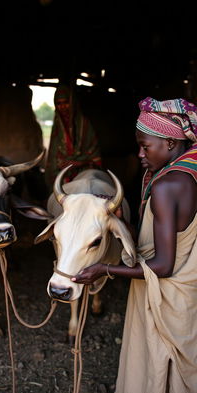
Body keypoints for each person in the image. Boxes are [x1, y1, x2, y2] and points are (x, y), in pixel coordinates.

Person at [71, 97, 197, 393]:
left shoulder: (167, 186)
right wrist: (119, 220)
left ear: (169, 142)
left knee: (158, 368)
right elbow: (155, 238)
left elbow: (163, 266)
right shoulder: (186, 175)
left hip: (167, 294)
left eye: (145, 145)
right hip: (186, 293)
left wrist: (104, 269)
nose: (139, 154)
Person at [44, 83, 102, 192]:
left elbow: (95, 154)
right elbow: (53, 155)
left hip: (84, 169)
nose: (63, 107)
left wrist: (79, 162)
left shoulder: (85, 125)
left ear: (72, 103)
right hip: (63, 171)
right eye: (59, 103)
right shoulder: (57, 126)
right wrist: (61, 163)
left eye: (66, 102)